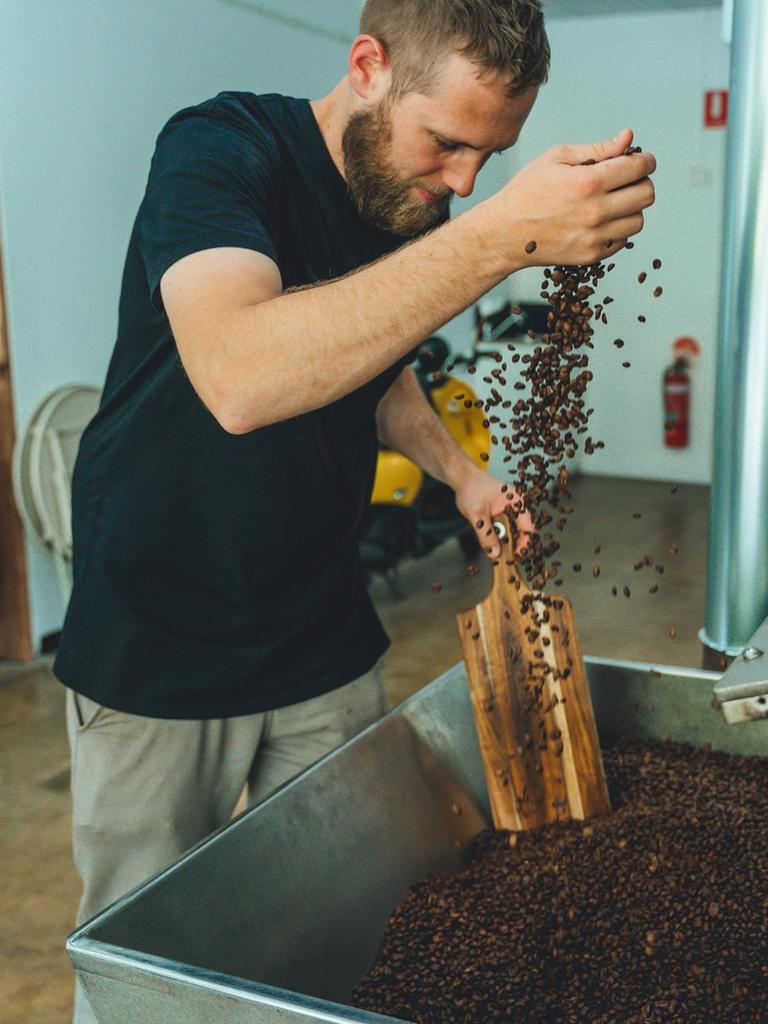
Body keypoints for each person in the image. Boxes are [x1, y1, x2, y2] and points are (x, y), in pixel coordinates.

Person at [54, 1, 655, 1019]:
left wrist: (462, 475)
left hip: (322, 621)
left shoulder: (411, 200)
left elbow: (378, 373)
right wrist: (502, 240)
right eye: (451, 144)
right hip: (164, 632)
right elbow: (239, 374)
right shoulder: (221, 148)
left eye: (490, 159)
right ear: (369, 65)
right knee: (145, 960)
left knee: (365, 918)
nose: (465, 183)